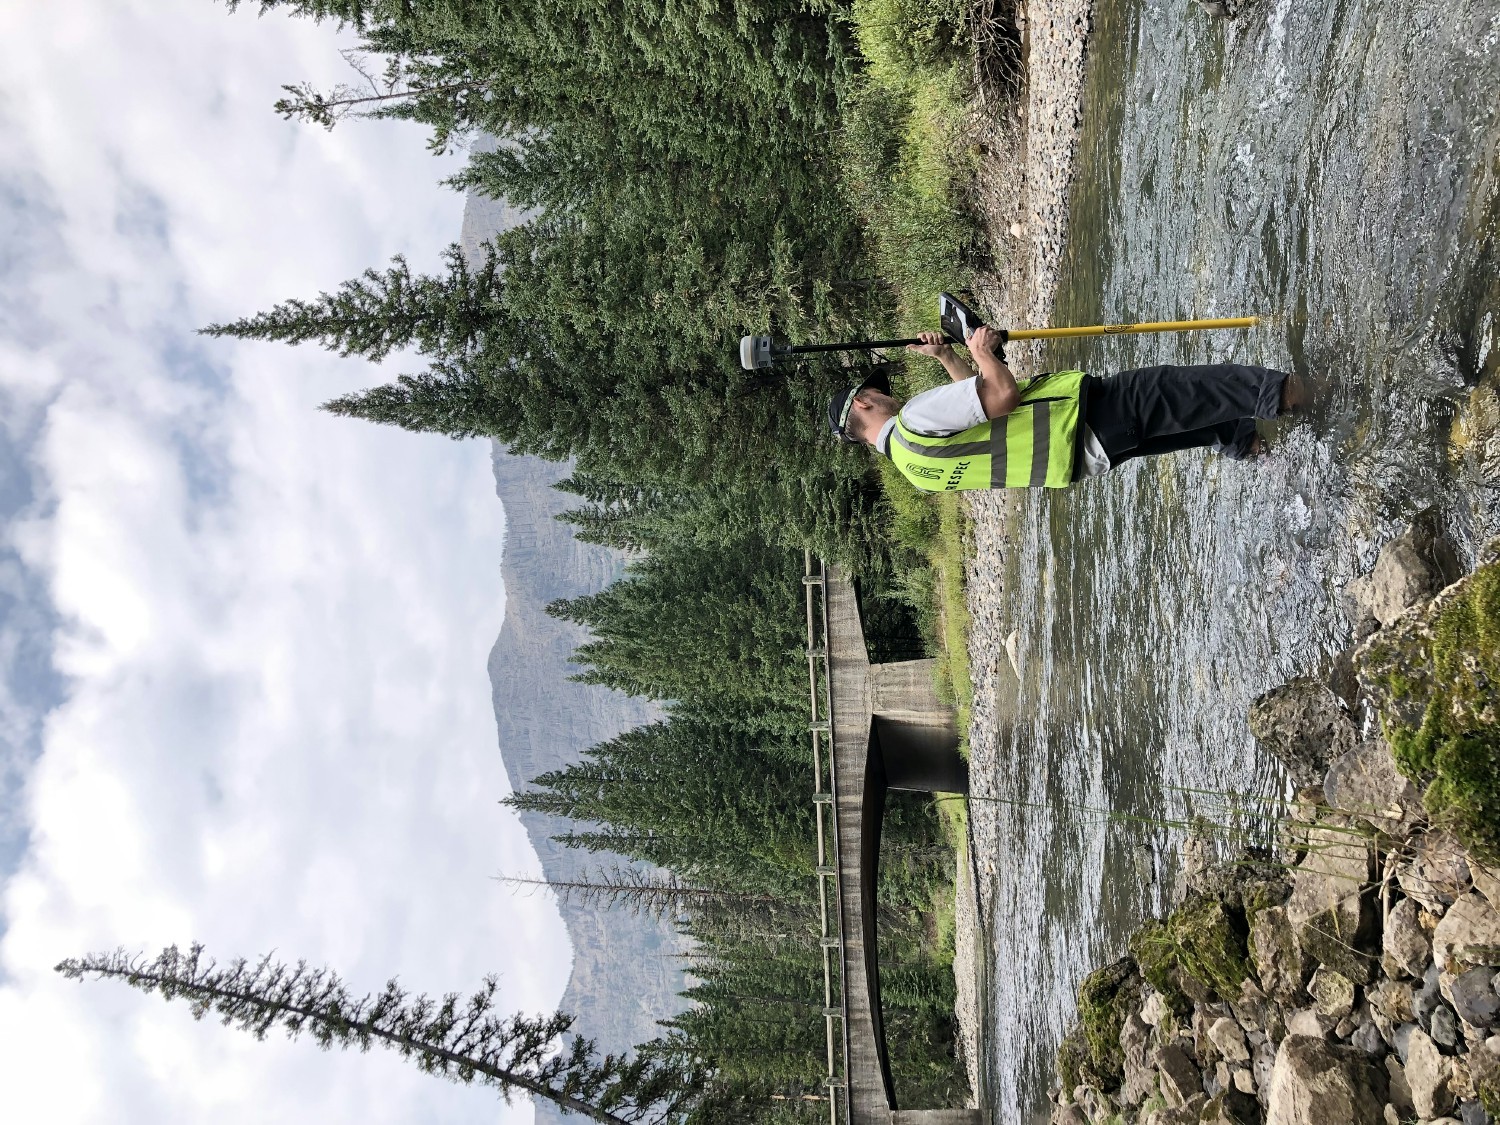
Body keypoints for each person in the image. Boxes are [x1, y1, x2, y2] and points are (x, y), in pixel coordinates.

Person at [826, 325, 1302, 491]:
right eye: (878, 392)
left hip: (1086, 454)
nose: (887, 393)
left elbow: (979, 419)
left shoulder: (912, 466)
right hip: (1088, 416)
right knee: (1216, 388)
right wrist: (981, 349)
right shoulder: (912, 420)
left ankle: (1271, 455)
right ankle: (1323, 397)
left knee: (1208, 426)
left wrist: (948, 357)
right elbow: (1002, 395)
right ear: (867, 403)